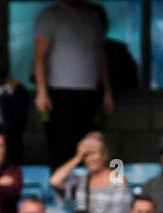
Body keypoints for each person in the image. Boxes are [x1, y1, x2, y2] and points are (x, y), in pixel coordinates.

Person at [33, 0, 112, 169]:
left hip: (89, 91)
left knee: (90, 143)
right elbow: (40, 57)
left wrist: (106, 90)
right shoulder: (50, 15)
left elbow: (100, 56)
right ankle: (60, 190)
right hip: (59, 92)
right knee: (61, 146)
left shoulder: (92, 17)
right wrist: (42, 92)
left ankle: (87, 190)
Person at [50, 132, 131, 213]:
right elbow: (55, 181)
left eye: (93, 153)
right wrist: (78, 157)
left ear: (104, 155)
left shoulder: (117, 178)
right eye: (86, 155)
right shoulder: (80, 180)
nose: (90, 158)